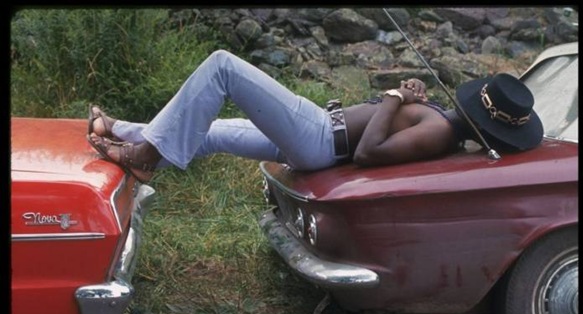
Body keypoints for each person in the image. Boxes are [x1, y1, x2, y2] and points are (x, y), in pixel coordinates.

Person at [87, 49, 543, 183]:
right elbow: (384, 130)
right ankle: (122, 134)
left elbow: (368, 154)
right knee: (213, 132)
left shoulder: (439, 131)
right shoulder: (440, 122)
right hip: (319, 134)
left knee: (222, 67)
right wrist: (410, 99)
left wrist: (394, 97)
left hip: (321, 137)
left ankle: (143, 153)